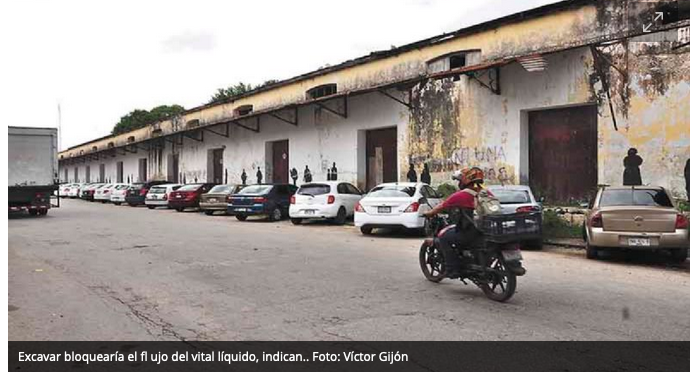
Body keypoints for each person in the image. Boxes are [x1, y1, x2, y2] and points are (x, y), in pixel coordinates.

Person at [422, 167, 487, 278]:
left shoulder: (461, 195)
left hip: (470, 232)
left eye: (459, 180)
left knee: (444, 237)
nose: (459, 183)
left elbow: (441, 207)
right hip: (486, 232)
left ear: (465, 181)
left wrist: (429, 213)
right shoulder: (486, 192)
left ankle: (452, 269)